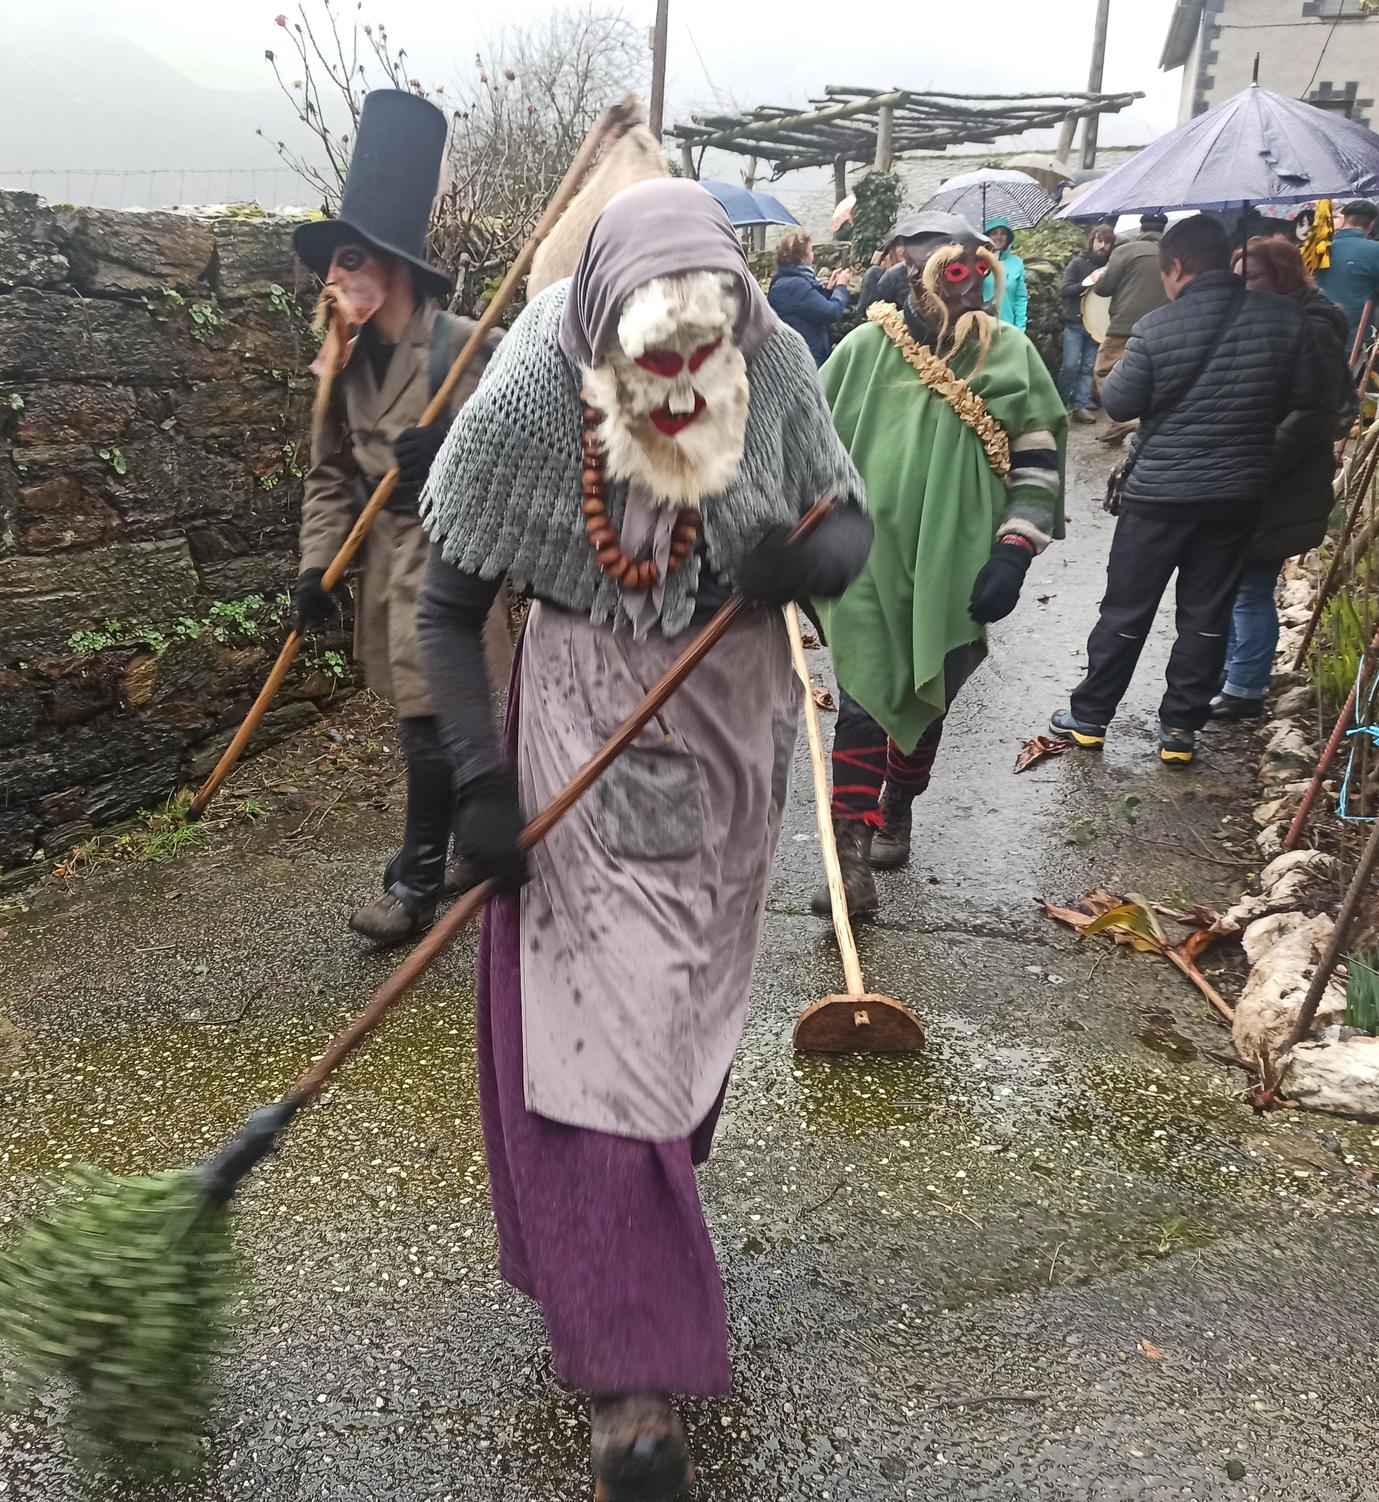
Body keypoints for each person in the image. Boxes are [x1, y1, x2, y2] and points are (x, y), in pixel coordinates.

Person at [415, 178, 872, 1502]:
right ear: (602, 337)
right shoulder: (524, 397)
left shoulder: (774, 358)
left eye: (701, 362)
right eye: (651, 366)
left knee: (672, 1025)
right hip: (578, 728)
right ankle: (634, 1390)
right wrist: (480, 785)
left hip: (726, 735)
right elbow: (445, 612)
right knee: (597, 1051)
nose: (679, 386)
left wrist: (811, 558)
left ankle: (632, 1231)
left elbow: (838, 508)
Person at [291, 88, 508, 946]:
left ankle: (413, 886)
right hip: (385, 565)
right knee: (435, 721)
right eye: (332, 267)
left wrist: (448, 450)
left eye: (348, 262)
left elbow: (523, 467)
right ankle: (467, 844)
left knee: (428, 725)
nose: (333, 280)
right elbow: (329, 477)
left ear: (395, 270)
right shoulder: (341, 367)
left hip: (453, 563)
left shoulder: (467, 350)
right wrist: (316, 568)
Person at [812, 226, 1067, 904]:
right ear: (914, 277)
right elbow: (805, 440)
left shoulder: (1010, 355)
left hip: (959, 566)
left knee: (928, 698)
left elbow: (1039, 463)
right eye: (949, 274)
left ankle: (900, 800)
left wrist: (1015, 550)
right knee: (863, 701)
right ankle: (851, 861)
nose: (966, 288)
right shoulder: (865, 350)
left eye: (977, 275)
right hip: (864, 558)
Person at [1052, 214, 1341, 764]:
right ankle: (1180, 731)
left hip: (1160, 495)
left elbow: (1120, 403)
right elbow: (1312, 397)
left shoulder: (1159, 328)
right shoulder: (1286, 321)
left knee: (1126, 609)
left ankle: (1089, 718)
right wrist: (1256, 437)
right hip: (1236, 496)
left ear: (1178, 267)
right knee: (1207, 613)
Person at [1209, 237, 1358, 718]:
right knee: (1229, 581)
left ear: (1282, 277)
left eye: (1250, 276)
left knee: (1251, 585)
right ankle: (1230, 670)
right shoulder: (1257, 319)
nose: (1241, 286)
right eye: (1236, 276)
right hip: (1244, 472)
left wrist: (1260, 458)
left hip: (1278, 479)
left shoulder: (1312, 327)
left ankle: (1245, 687)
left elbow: (1316, 412)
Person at [1091, 211, 1170, 445]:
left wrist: (1100, 277)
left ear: (1140, 229)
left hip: (1124, 326)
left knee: (1104, 371)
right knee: (1151, 378)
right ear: (1162, 230)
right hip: (1161, 327)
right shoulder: (1171, 254)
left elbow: (1103, 289)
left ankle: (1125, 420)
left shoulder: (1125, 251)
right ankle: (1123, 427)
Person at [1315, 199, 1379, 343]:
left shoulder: (1320, 250)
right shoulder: (1374, 250)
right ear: (1372, 223)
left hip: (1319, 332)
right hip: (1354, 336)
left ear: (1344, 220)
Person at [1059, 222, 1117, 422]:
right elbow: (1065, 290)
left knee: (1087, 367)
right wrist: (1087, 282)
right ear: (1092, 240)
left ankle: (1080, 407)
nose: (1103, 246)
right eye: (1100, 240)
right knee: (1070, 365)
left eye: (1108, 242)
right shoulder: (1078, 263)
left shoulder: (1112, 266)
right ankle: (1059, 404)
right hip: (1075, 323)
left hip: (1097, 326)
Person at [766, 230, 853, 364]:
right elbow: (831, 313)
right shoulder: (795, 285)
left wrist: (830, 289)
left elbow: (811, 308)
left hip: (805, 354)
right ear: (802, 257)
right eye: (810, 251)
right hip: (805, 359)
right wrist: (841, 287)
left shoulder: (790, 280)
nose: (813, 255)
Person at [982, 217, 1029, 330]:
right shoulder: (977, 261)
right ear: (987, 236)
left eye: (1003, 233)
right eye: (994, 233)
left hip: (1008, 328)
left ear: (1008, 238)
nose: (998, 237)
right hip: (981, 328)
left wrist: (1020, 327)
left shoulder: (1016, 263)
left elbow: (1020, 298)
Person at [855, 235, 904, 317]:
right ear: (892, 248)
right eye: (900, 245)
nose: (905, 249)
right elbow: (864, 312)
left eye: (910, 244)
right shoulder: (876, 274)